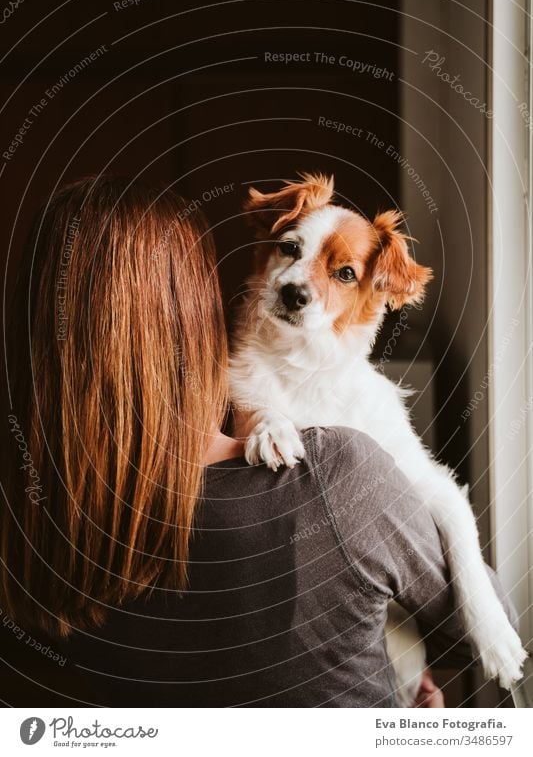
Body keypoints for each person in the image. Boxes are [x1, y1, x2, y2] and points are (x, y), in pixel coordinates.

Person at [0, 176, 516, 707]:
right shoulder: (336, 474)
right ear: (196, 308)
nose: (298, 280)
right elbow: (472, 632)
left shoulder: (29, 507)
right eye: (288, 250)